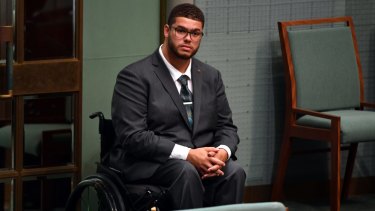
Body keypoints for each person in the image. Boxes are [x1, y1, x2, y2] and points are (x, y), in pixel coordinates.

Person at [109, 3, 246, 210]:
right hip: (152, 163)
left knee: (234, 171)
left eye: (195, 33)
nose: (188, 38)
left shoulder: (211, 76)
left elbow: (226, 127)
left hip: (200, 161)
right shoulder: (135, 76)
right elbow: (132, 136)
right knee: (186, 171)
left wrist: (222, 153)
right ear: (167, 30)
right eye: (181, 30)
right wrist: (189, 155)